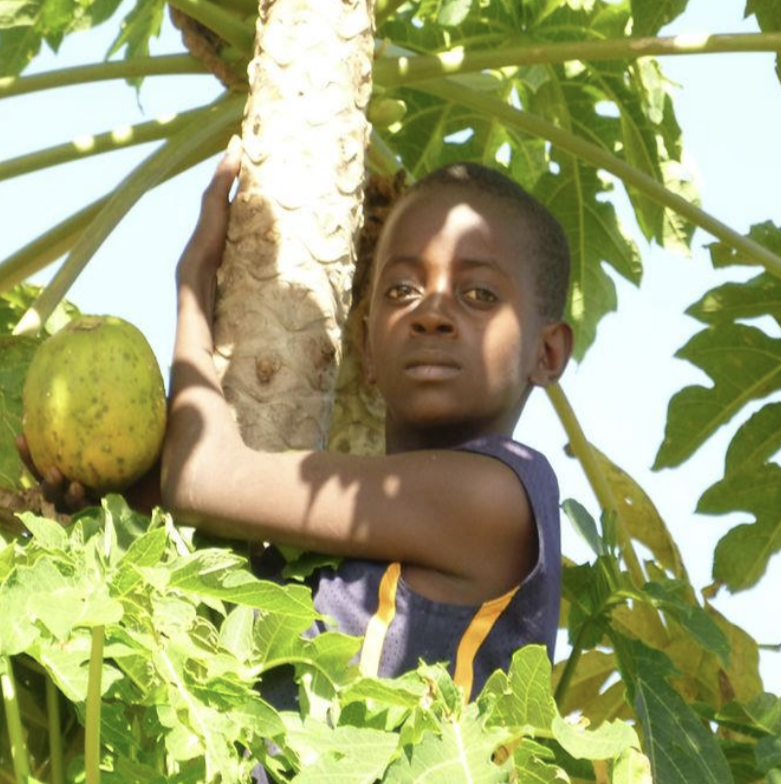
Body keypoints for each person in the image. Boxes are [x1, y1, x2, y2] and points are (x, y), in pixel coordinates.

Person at [160, 138, 574, 713]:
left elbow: (200, 479)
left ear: (548, 352)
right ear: (367, 346)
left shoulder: (498, 497)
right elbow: (191, 486)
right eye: (403, 290)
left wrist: (194, 284)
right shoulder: (349, 527)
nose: (432, 313)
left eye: (479, 294)